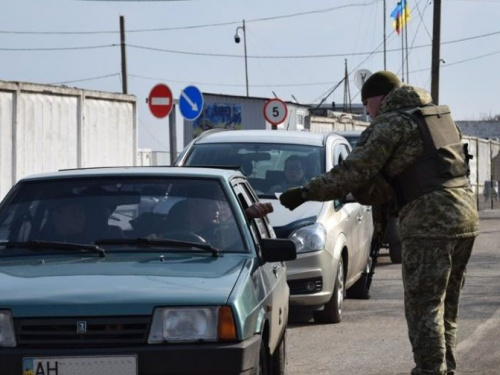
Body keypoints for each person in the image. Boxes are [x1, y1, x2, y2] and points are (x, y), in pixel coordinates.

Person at [279, 70, 479, 375]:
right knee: (446, 305)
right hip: (465, 216)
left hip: (429, 222)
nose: (366, 111)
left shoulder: (392, 122)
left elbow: (353, 171)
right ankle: (445, 368)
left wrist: (307, 191)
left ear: (381, 98)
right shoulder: (436, 117)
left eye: (366, 103)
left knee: (424, 307)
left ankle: (431, 371)